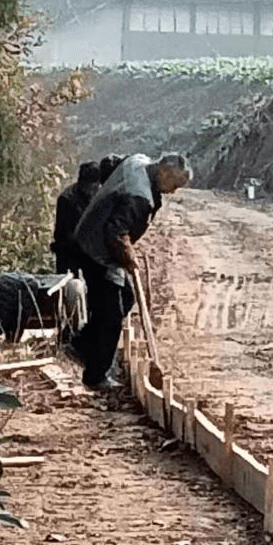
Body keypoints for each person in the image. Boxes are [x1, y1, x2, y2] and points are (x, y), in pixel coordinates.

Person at [70, 152, 192, 391]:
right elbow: (116, 233)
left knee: (125, 297)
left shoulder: (139, 161)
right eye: (174, 185)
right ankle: (96, 375)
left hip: (91, 237)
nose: (173, 192)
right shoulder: (140, 196)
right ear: (164, 172)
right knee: (111, 313)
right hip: (98, 250)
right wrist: (129, 258)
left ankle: (82, 343)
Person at [50, 161, 100, 275]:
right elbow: (65, 234)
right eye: (93, 185)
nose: (96, 188)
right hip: (70, 253)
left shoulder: (97, 195)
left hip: (89, 251)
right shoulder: (67, 200)